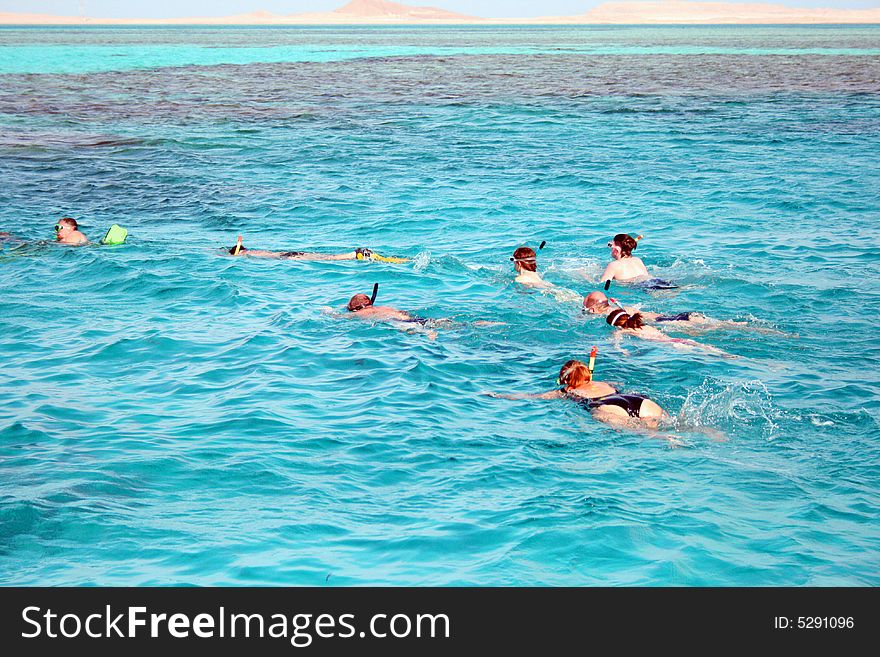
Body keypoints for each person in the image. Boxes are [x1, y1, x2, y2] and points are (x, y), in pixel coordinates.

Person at [486, 359, 666, 429]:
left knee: (647, 434)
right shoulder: (604, 383)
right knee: (662, 423)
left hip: (607, 407)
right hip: (638, 400)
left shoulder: (568, 391)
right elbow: (619, 384)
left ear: (565, 381)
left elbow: (532, 397)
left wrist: (498, 395)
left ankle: (666, 438)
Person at [603, 307, 734, 357]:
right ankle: (724, 354)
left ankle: (721, 355)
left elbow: (616, 342)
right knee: (705, 348)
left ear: (617, 326)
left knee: (702, 354)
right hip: (675, 339)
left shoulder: (625, 331)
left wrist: (622, 351)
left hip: (671, 345)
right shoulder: (642, 325)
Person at [226, 236, 407, 262]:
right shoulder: (249, 251)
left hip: (289, 258)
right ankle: (355, 253)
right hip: (290, 254)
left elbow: (236, 253)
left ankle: (355, 254)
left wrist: (237, 249)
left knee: (328, 259)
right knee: (328, 257)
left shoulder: (244, 253)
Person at [600, 234, 675, 290]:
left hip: (645, 286)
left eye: (610, 246)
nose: (610, 249)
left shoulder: (613, 265)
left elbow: (604, 286)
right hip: (657, 281)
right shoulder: (637, 260)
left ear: (616, 249)